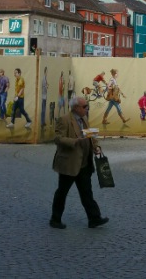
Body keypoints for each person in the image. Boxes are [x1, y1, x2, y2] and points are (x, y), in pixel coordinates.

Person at [49, 95, 108, 229]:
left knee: (87, 192)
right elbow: (58, 138)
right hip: (69, 163)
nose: (87, 109)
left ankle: (94, 218)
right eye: (84, 107)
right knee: (62, 192)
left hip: (84, 163)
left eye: (87, 106)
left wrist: (96, 147)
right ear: (76, 108)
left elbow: (90, 136)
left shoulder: (84, 119)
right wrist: (74, 142)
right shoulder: (64, 120)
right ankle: (55, 219)